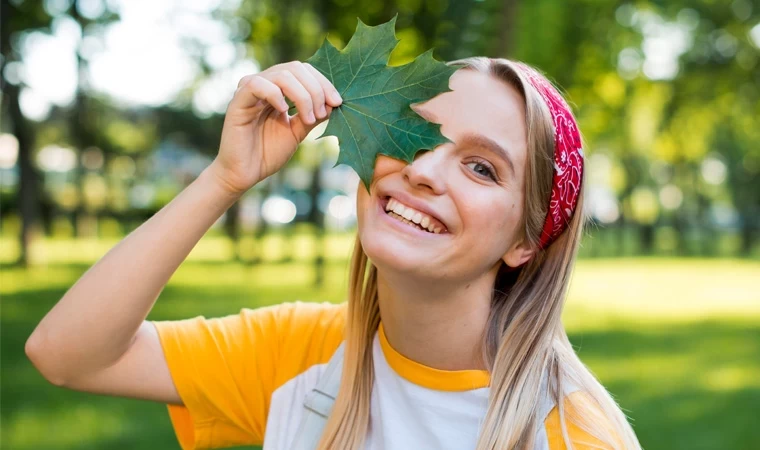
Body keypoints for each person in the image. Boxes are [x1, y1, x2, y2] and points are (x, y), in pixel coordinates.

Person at [25, 56, 641, 450]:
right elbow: (68, 355)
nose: (424, 170)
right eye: (417, 132)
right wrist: (225, 179)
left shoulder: (571, 435)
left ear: (525, 242)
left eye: (481, 168)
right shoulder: (302, 355)